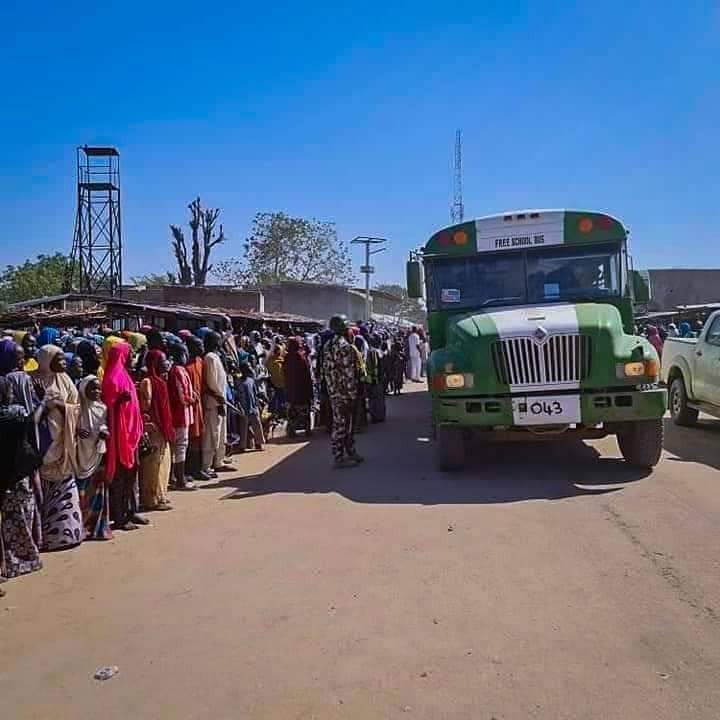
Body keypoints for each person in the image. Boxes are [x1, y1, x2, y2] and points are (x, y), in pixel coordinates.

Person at [34, 345, 84, 550]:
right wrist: (44, 404)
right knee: (45, 494)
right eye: (59, 359)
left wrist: (61, 407)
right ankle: (47, 537)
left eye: (64, 359)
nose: (64, 364)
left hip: (64, 446)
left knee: (66, 492)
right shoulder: (34, 380)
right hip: (46, 445)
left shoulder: (65, 381)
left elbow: (77, 409)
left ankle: (68, 534)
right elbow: (34, 415)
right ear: (46, 360)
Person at [0, 361, 43, 583]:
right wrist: (42, 402)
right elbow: (32, 421)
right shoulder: (15, 413)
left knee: (8, 521)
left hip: (4, 477)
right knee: (22, 517)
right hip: (18, 475)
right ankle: (25, 557)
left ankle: (7, 562)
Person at [102, 341, 145, 531]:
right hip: (119, 435)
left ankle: (130, 510)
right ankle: (119, 517)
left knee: (132, 473)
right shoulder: (111, 379)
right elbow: (109, 408)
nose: (131, 357)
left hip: (132, 432)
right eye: (128, 354)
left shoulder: (126, 375)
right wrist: (119, 401)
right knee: (120, 476)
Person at [322, 315, 363, 469]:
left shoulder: (327, 345)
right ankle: (340, 457)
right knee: (343, 425)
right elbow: (348, 374)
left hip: (333, 391)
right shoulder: (344, 347)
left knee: (342, 424)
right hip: (344, 394)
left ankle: (350, 452)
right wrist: (352, 395)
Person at [76, 376, 112, 540]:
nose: (96, 392)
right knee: (82, 493)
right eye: (92, 388)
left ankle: (97, 526)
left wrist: (104, 432)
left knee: (97, 490)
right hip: (81, 455)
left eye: (98, 388)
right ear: (84, 390)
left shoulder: (102, 408)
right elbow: (71, 426)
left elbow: (103, 424)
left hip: (97, 453)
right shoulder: (78, 409)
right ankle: (81, 527)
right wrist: (77, 432)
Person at [137, 350, 174, 512]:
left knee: (163, 463)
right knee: (153, 465)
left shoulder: (161, 381)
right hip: (154, 429)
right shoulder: (148, 382)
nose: (165, 364)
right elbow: (146, 406)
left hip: (163, 427)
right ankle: (150, 498)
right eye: (162, 361)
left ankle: (160, 495)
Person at [167, 343, 197, 491]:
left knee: (178, 447)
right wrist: (192, 399)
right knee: (180, 446)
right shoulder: (177, 371)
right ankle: (180, 479)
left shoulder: (179, 370)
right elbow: (181, 396)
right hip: (180, 414)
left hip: (183, 413)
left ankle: (175, 476)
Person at [201, 331, 230, 479]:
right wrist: (218, 396)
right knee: (211, 435)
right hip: (214, 401)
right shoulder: (209, 358)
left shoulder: (217, 356)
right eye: (218, 341)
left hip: (221, 400)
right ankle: (206, 465)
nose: (221, 343)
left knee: (220, 433)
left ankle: (219, 461)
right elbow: (211, 381)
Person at [283, 337, 314, 438]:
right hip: (303, 390)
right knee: (305, 411)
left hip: (291, 390)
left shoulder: (287, 358)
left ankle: (292, 431)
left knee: (292, 412)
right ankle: (307, 430)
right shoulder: (302, 357)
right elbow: (307, 374)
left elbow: (284, 372)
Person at [184, 335, 205, 479]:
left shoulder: (200, 362)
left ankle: (198, 468)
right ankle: (191, 470)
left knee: (198, 437)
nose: (202, 348)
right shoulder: (186, 367)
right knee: (191, 439)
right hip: (190, 407)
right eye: (199, 346)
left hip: (200, 406)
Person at [236, 362, 266, 451]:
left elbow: (255, 394)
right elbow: (237, 396)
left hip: (253, 407)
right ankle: (242, 446)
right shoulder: (238, 382)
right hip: (243, 408)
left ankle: (259, 443)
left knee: (257, 425)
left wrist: (257, 405)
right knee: (243, 428)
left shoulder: (251, 380)